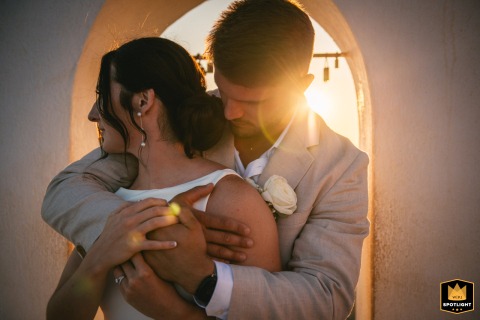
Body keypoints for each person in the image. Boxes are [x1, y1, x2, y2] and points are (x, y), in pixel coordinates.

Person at [42, 0, 370, 319]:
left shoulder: (340, 166)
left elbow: (327, 298)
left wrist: (204, 278)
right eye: (224, 91)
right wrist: (153, 226)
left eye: (252, 101)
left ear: (301, 86)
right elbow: (69, 187)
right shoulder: (184, 118)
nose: (229, 112)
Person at [45, 37, 280, 320]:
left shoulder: (230, 198)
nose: (92, 114)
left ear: (143, 101)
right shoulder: (110, 204)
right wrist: (100, 256)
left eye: (102, 95)